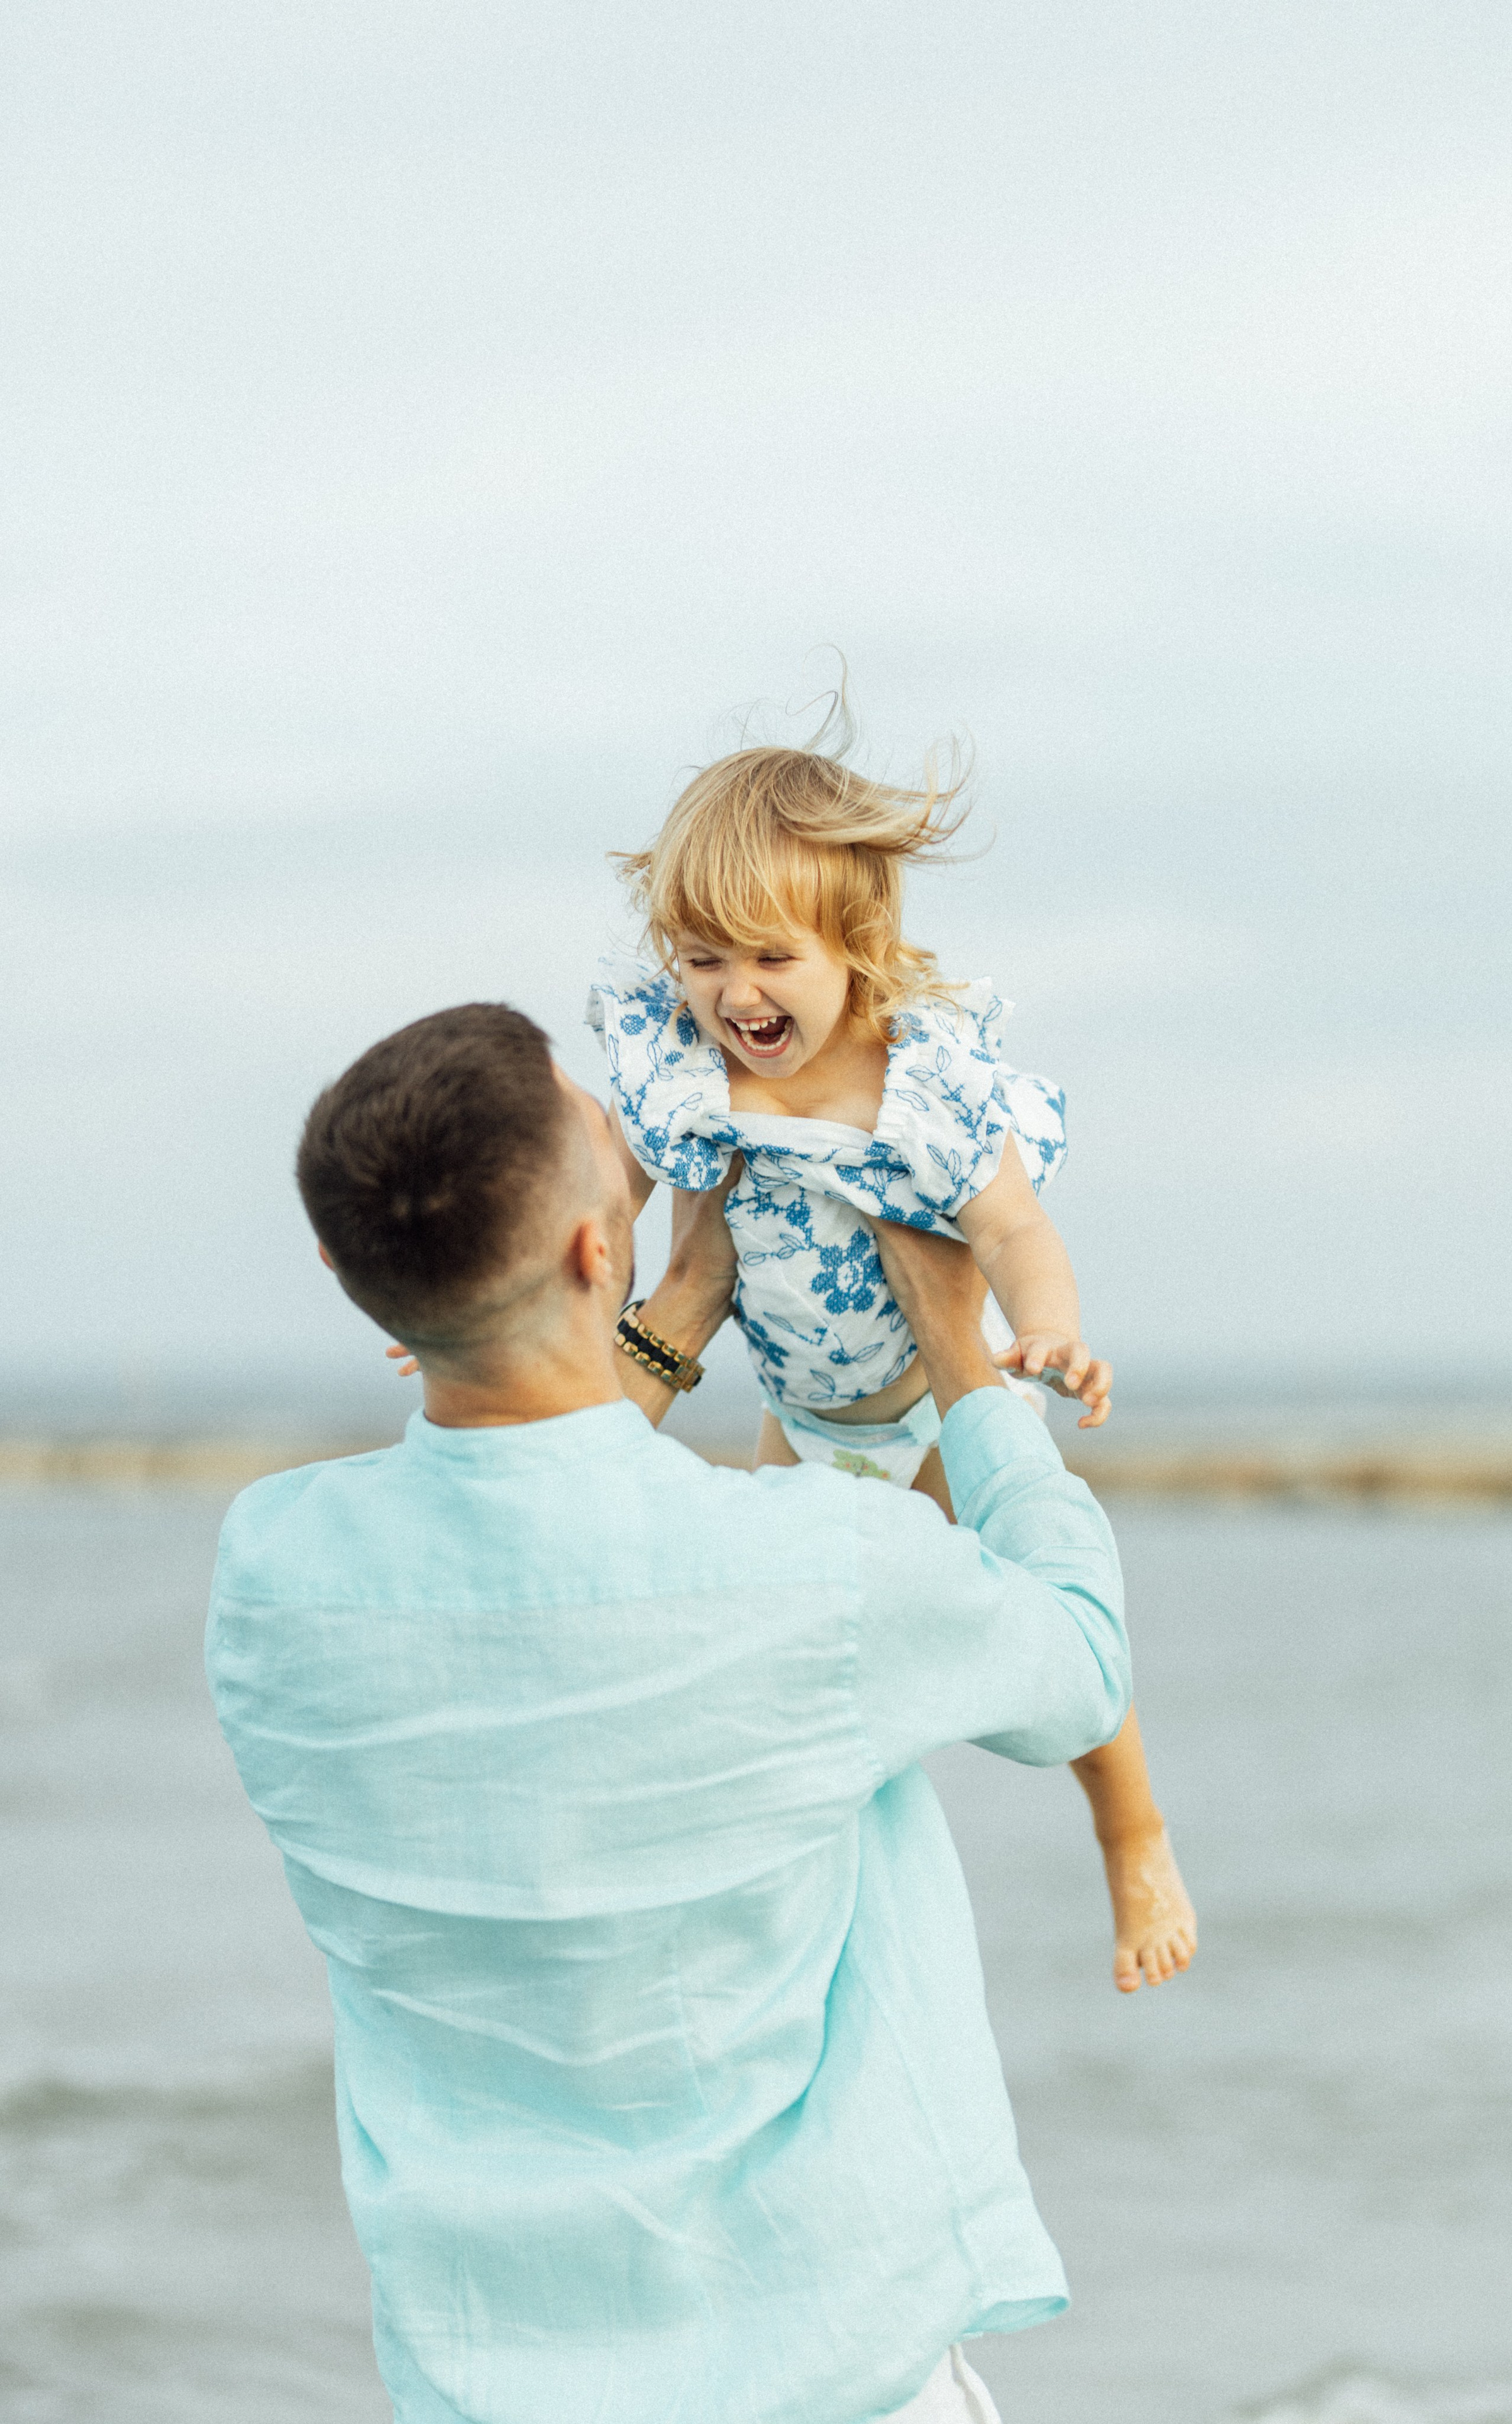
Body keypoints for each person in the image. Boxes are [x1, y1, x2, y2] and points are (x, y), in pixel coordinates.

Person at [208, 1002, 1133, 2424]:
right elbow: (1077, 1656)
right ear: (596, 1247)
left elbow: (534, 1531)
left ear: (344, 1271)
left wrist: (675, 1314)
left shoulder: (269, 1577)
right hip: (829, 2376)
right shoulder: (810, 1567)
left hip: (486, 2382)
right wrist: (956, 1349)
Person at [582, 737, 1196, 1992]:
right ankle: (792, 1880)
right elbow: (603, 1195)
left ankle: (1130, 1827)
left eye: (768, 956)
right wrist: (499, 1294)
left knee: (1043, 1614)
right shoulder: (686, 1077)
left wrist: (1052, 1328)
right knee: (781, 1633)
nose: (731, 993)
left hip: (934, 1407)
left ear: (854, 941)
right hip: (797, 1408)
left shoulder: (921, 1092)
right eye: (700, 959)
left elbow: (1015, 1228)